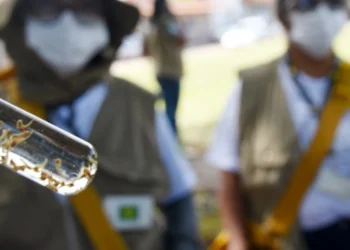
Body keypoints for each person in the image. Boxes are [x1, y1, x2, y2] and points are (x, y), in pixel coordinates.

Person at [0, 0, 202, 250]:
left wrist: (185, 243)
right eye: (48, 10)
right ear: (20, 24)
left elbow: (179, 197)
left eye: (85, 11)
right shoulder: (3, 111)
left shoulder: (141, 107)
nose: (68, 25)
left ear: (107, 22)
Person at [206, 1, 350, 250]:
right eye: (307, 4)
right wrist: (239, 243)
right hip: (285, 239)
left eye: (333, 3)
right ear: (284, 17)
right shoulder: (252, 90)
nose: (322, 13)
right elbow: (229, 179)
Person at [145, 0, 184, 136]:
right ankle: (171, 138)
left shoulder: (151, 25)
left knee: (167, 102)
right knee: (171, 108)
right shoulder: (167, 23)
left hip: (160, 69)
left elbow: (145, 50)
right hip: (171, 70)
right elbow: (181, 39)